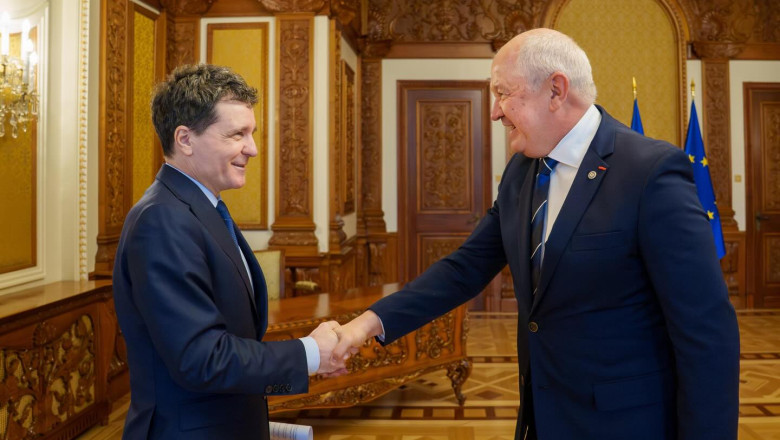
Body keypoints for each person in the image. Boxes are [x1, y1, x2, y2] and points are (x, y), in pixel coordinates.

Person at [332, 28, 740, 440]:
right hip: (542, 419)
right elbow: (465, 268)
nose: (495, 112)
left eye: (503, 93)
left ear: (556, 91)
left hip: (625, 425)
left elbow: (706, 331)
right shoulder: (522, 170)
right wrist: (367, 324)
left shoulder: (649, 171)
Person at [113, 64, 346, 439]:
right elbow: (201, 359)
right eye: (237, 134)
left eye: (251, 134)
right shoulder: (162, 219)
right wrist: (310, 353)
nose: (252, 149)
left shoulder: (198, 207)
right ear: (185, 139)